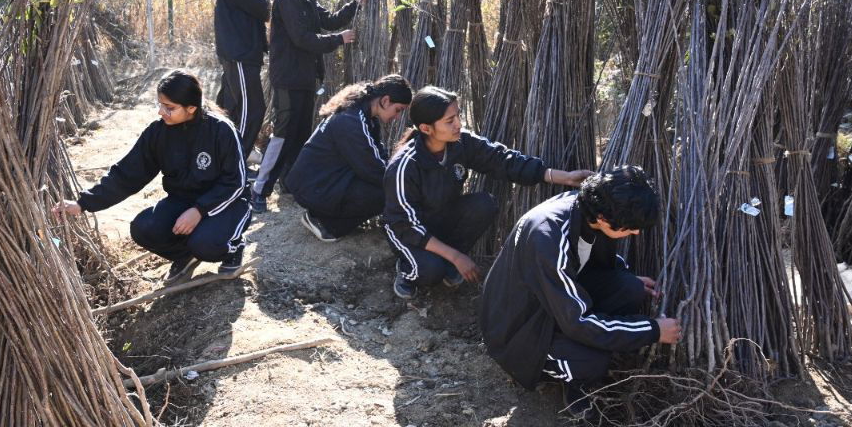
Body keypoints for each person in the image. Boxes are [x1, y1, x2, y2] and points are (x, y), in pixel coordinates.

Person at [479, 166, 681, 418]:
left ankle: (579, 351)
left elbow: (585, 257)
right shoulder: (548, 236)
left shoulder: (586, 209)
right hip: (519, 329)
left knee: (630, 288)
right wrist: (652, 330)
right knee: (592, 362)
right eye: (630, 228)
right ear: (604, 219)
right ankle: (573, 378)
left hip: (552, 305)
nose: (636, 232)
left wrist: (624, 275)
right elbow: (578, 322)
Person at [382, 86, 591, 300]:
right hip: (407, 232)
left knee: (484, 204)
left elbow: (502, 160)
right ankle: (408, 268)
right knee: (430, 272)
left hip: (441, 218)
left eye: (458, 116)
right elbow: (406, 225)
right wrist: (457, 256)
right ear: (426, 129)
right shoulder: (405, 166)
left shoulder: (460, 143)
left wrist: (561, 177)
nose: (458, 124)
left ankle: (446, 261)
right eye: (449, 120)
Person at [53, 70, 250, 285]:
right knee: (144, 228)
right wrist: (83, 203)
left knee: (205, 244)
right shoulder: (158, 133)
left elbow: (236, 182)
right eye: (160, 105)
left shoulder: (221, 130)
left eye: (169, 108)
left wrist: (200, 210)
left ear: (191, 108)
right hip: (182, 201)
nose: (161, 112)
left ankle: (234, 248)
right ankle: (184, 256)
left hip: (226, 203)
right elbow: (126, 175)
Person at [251, 0, 367, 213]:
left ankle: (290, 183)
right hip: (288, 77)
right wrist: (339, 40)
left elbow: (328, 20)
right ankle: (259, 190)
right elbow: (302, 39)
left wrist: (356, 4)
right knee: (283, 134)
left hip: (303, 76)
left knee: (301, 132)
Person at [285, 74, 412, 242]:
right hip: (314, 189)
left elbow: (378, 155)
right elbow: (374, 170)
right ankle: (325, 222)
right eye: (398, 110)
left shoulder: (364, 115)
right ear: (385, 101)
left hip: (321, 183)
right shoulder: (352, 122)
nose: (397, 117)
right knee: (386, 193)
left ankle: (327, 214)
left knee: (387, 187)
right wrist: (408, 186)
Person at [214, 0, 273, 172]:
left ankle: (224, 157)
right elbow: (264, 7)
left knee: (231, 109)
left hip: (243, 56)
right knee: (254, 109)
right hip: (239, 56)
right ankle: (238, 161)